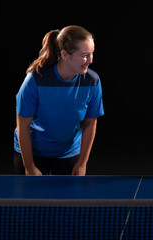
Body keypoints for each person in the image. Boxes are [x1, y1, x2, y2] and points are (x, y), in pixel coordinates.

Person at [13, 25, 104, 175]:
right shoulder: (34, 80)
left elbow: (90, 124)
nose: (90, 60)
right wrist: (29, 167)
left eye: (92, 54)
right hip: (32, 155)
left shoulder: (92, 81)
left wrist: (82, 163)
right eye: (84, 55)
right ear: (65, 55)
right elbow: (23, 125)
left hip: (68, 154)